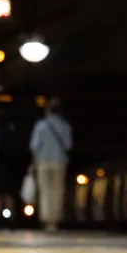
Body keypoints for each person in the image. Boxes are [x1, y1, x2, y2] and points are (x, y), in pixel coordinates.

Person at [29, 97, 72, 232]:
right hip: (59, 162)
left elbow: (35, 147)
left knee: (45, 191)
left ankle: (47, 220)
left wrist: (33, 164)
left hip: (44, 163)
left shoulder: (40, 126)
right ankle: (56, 220)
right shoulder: (65, 126)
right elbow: (68, 145)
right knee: (58, 191)